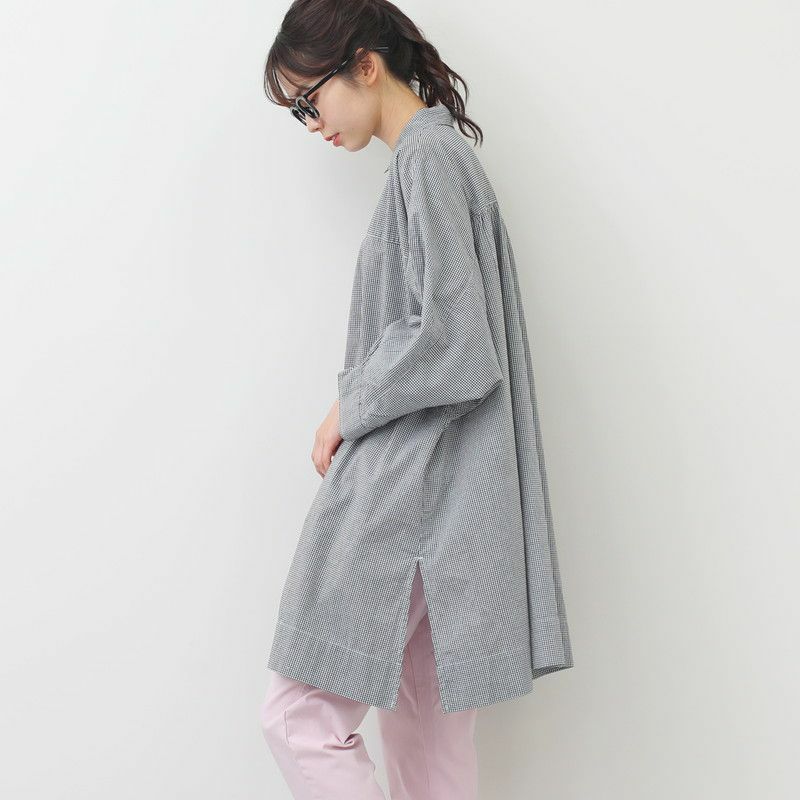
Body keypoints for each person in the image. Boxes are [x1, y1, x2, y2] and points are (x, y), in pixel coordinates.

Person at [259, 2, 574, 798]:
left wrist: (351, 402)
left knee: (298, 717)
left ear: (365, 66)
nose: (310, 123)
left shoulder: (428, 161)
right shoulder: (439, 159)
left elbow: (458, 343)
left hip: (413, 488)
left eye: (309, 100)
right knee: (429, 751)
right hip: (454, 499)